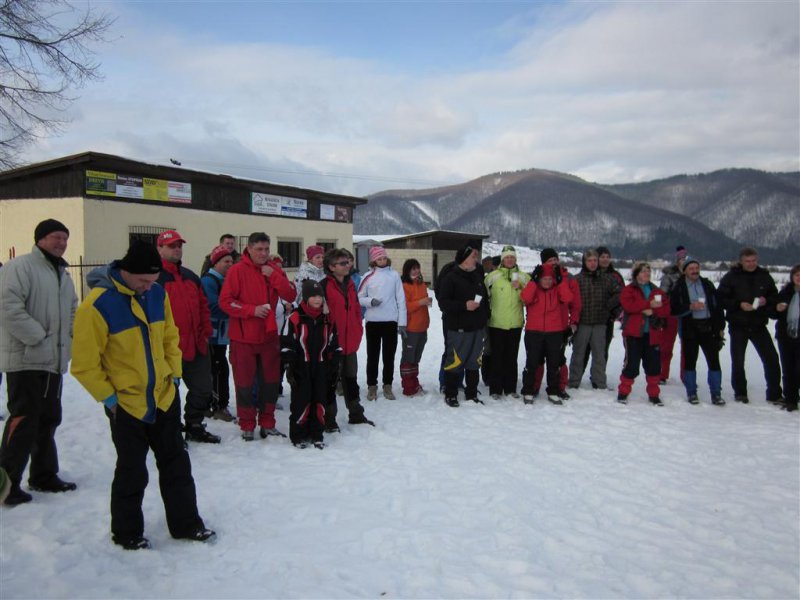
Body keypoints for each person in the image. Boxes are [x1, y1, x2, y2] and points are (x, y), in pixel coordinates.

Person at [71, 241, 215, 549]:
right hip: (126, 405)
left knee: (177, 464)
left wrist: (174, 374)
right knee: (132, 470)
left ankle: (187, 524)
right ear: (127, 271)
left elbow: (170, 337)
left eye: (153, 280)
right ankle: (127, 532)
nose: (149, 286)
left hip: (163, 397)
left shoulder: (157, 294)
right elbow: (84, 365)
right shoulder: (96, 306)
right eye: (144, 280)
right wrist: (110, 400)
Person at [0, 219, 78, 505]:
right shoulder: (20, 267)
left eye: (65, 238)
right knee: (23, 419)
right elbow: (8, 307)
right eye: (56, 237)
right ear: (41, 239)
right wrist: (39, 338)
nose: (62, 243)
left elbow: (73, 311)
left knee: (48, 418)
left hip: (53, 360)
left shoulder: (63, 275)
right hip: (26, 359)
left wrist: (67, 341)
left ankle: (44, 475)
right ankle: (6, 484)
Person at [219, 232, 296, 440]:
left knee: (270, 383)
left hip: (269, 337)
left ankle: (267, 423)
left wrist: (274, 276)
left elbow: (290, 294)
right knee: (244, 384)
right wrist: (251, 310)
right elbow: (225, 301)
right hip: (243, 338)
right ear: (249, 249)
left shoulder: (274, 270)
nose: (263, 253)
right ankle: (247, 424)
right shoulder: (237, 271)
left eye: (266, 249)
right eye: (259, 249)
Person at [156, 230, 220, 444]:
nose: (177, 249)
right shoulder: (154, 279)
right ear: (159, 248)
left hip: (196, 345)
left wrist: (205, 333)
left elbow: (203, 306)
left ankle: (194, 425)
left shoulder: (190, 276)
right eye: (171, 246)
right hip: (168, 349)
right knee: (168, 394)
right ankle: (171, 432)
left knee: (203, 389)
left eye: (179, 246)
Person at [717, 247, 782, 405]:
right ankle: (740, 393)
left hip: (758, 324)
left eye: (754, 261)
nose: (751, 264)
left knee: (772, 359)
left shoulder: (764, 276)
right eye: (747, 261)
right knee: (738, 361)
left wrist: (766, 301)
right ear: (741, 261)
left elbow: (774, 296)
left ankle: (774, 394)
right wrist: (738, 304)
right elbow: (720, 298)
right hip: (738, 324)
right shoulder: (731, 277)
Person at [281, 280, 341, 448]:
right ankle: (298, 435)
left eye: (320, 296)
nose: (317, 299)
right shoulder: (295, 318)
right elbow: (286, 343)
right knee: (301, 401)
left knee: (320, 400)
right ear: (306, 297)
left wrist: (335, 361)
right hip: (301, 367)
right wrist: (290, 364)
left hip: (321, 366)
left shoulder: (328, 319)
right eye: (313, 296)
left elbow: (334, 342)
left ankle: (317, 434)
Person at [320, 248, 373, 429]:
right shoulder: (323, 286)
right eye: (342, 263)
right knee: (330, 382)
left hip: (350, 342)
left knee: (351, 380)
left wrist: (358, 329)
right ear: (331, 267)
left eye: (347, 262)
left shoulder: (350, 284)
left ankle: (356, 414)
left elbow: (356, 310)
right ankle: (329, 420)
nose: (347, 265)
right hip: (332, 345)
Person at [438, 242, 490, 407]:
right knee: (455, 362)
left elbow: (485, 300)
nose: (475, 258)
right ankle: (451, 394)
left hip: (477, 328)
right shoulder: (451, 277)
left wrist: (484, 318)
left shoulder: (477, 275)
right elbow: (443, 303)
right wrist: (464, 305)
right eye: (472, 256)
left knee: (474, 362)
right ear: (464, 259)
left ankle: (471, 394)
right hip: (458, 328)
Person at [669, 257, 726, 406]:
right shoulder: (679, 286)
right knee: (690, 361)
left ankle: (716, 393)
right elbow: (673, 309)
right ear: (685, 271)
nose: (695, 271)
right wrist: (689, 307)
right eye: (691, 269)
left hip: (709, 327)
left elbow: (717, 306)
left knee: (714, 361)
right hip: (690, 327)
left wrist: (720, 327)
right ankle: (691, 392)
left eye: (696, 268)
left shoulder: (707, 284)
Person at [617, 262, 671, 406]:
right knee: (631, 365)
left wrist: (653, 311)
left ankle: (654, 395)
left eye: (648, 271)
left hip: (652, 334)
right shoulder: (629, 290)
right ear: (636, 274)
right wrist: (648, 305)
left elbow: (666, 310)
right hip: (633, 334)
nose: (646, 273)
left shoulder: (656, 291)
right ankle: (623, 392)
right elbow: (628, 306)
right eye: (643, 271)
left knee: (653, 366)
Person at [568, 249, 621, 391]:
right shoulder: (577, 279)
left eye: (595, 260)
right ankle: (573, 381)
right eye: (589, 260)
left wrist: (608, 307)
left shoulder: (607, 279)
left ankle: (599, 382)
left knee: (599, 355)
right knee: (578, 354)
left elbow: (619, 293)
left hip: (600, 322)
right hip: (582, 323)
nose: (592, 263)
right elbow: (570, 300)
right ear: (584, 262)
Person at [520, 262, 574, 404]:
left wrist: (560, 282)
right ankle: (528, 390)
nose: (547, 282)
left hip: (554, 331)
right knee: (532, 362)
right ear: (539, 279)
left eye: (550, 279)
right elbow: (525, 298)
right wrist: (533, 281)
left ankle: (553, 391)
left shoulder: (557, 289)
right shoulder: (534, 288)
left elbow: (568, 298)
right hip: (534, 331)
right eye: (544, 279)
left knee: (553, 363)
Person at [358, 246, 407, 401]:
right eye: (379, 258)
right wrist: (370, 301)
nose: (382, 261)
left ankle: (387, 385)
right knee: (372, 356)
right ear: (373, 260)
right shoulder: (367, 276)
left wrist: (402, 322)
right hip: (373, 322)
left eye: (384, 258)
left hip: (390, 321)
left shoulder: (394, 275)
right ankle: (372, 386)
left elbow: (401, 299)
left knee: (389, 356)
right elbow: (359, 297)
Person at [531, 248, 581, 397]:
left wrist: (573, 323)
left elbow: (575, 304)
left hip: (561, 326)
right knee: (538, 359)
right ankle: (534, 386)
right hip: (540, 327)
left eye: (555, 259)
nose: (553, 262)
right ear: (543, 263)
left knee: (558, 359)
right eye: (549, 260)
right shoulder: (540, 277)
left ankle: (560, 387)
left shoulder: (568, 278)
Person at [484, 245, 530, 399]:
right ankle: (495, 389)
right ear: (502, 260)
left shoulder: (524, 277)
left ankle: (510, 388)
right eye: (507, 257)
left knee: (511, 357)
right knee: (496, 357)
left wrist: (519, 288)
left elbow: (530, 300)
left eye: (512, 257)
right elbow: (484, 296)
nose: (510, 260)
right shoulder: (492, 277)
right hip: (496, 323)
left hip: (515, 323)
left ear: (516, 259)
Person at [200, 245, 235, 422]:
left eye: (231, 261)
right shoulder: (209, 281)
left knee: (218, 368)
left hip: (220, 334)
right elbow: (213, 307)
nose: (230, 264)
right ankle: (218, 405)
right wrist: (237, 309)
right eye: (225, 261)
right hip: (212, 334)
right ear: (215, 263)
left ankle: (212, 404)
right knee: (217, 369)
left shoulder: (223, 279)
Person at [400, 259, 431, 396]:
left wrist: (427, 301)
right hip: (411, 328)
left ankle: (414, 383)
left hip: (422, 327)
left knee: (416, 358)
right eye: (413, 268)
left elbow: (423, 301)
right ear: (407, 271)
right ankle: (408, 387)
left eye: (417, 268)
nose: (416, 271)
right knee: (408, 358)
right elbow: (404, 306)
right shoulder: (404, 286)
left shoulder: (421, 284)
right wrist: (420, 302)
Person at [659, 245, 688, 383]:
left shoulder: (693, 276)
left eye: (686, 259)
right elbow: (662, 295)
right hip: (671, 314)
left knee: (687, 346)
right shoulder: (669, 276)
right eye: (681, 259)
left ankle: (686, 374)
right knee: (666, 345)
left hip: (688, 314)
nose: (683, 262)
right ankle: (662, 373)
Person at [774, 264, 800, 412]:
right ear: (792, 277)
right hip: (786, 335)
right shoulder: (785, 292)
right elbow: (773, 312)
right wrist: (777, 308)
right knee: (788, 368)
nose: (799, 278)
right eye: (797, 275)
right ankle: (791, 399)